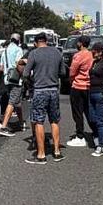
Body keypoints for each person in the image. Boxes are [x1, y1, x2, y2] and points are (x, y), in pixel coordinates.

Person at [22, 33, 65, 164]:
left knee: (39, 121)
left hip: (40, 90)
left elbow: (25, 73)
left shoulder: (33, 54)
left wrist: (33, 79)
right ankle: (57, 152)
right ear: (47, 41)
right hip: (53, 90)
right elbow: (63, 72)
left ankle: (41, 155)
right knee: (54, 120)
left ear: (35, 43)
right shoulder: (57, 53)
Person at [67, 36, 95, 148]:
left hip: (78, 87)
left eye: (77, 42)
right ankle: (98, 133)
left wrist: (71, 81)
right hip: (89, 87)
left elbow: (72, 72)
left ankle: (80, 136)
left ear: (81, 44)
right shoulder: (91, 54)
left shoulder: (78, 56)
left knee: (77, 113)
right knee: (89, 112)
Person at [0, 33, 25, 136]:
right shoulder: (18, 50)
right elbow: (19, 64)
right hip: (16, 79)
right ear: (18, 41)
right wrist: (25, 75)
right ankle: (4, 127)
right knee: (12, 102)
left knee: (16, 101)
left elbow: (1, 68)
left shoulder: (5, 50)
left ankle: (21, 122)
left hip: (7, 79)